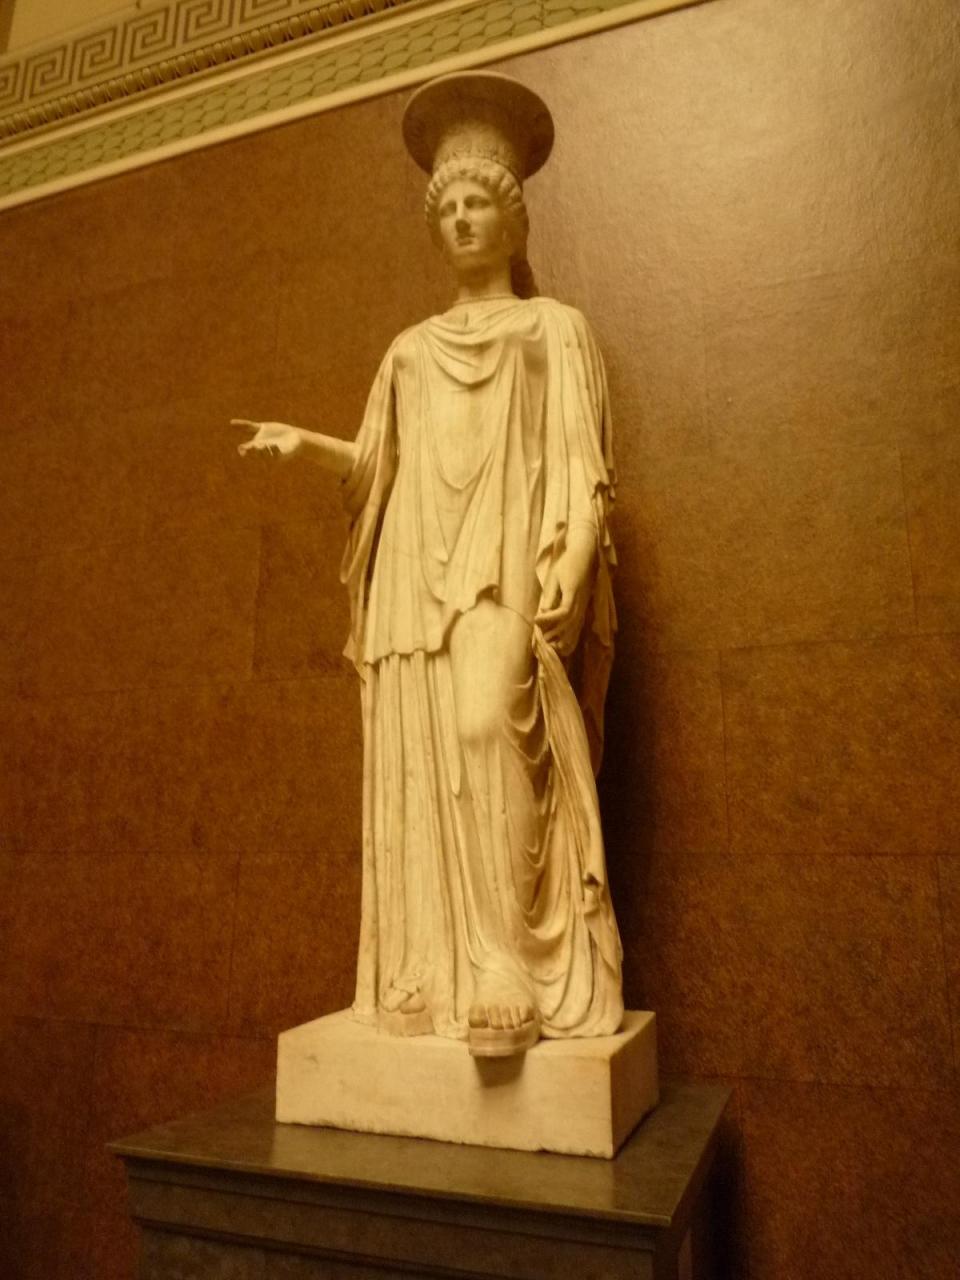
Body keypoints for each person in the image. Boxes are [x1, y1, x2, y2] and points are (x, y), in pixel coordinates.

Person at [235, 72, 623, 1058]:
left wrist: (578, 550)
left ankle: (508, 963)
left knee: (490, 727)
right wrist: (305, 444)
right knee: (426, 763)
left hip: (503, 558)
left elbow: (584, 461)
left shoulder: (553, 328)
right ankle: (441, 969)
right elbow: (379, 467)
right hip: (417, 567)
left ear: (513, 219)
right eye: (447, 208)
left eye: (477, 202)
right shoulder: (409, 351)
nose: (460, 219)